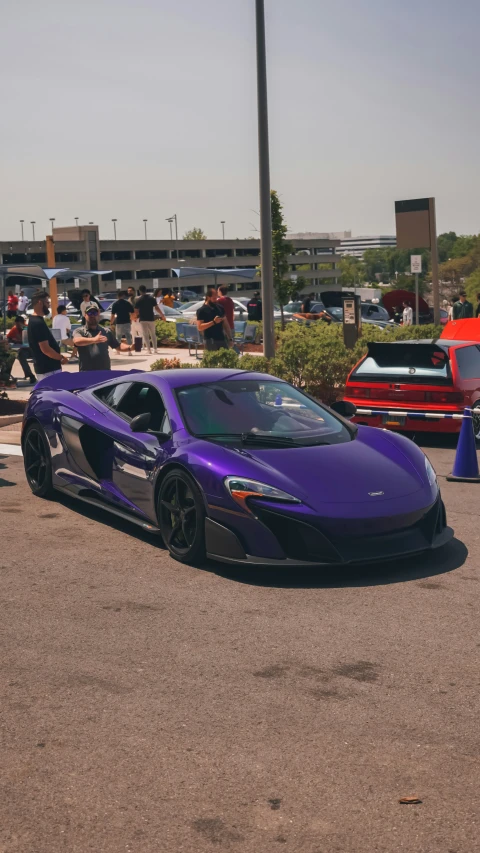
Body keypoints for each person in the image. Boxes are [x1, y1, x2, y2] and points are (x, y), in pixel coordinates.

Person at [73, 304, 133, 370]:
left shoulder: (106, 331)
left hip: (105, 372)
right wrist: (94, 340)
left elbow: (118, 346)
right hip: (86, 372)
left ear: (98, 314)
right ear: (85, 315)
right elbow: (77, 341)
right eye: (90, 313)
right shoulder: (80, 331)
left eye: (95, 313)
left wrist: (130, 348)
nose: (92, 315)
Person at [27, 291, 68, 380]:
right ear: (40, 303)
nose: (49, 305)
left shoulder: (34, 320)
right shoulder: (38, 323)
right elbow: (45, 349)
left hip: (46, 369)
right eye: (47, 302)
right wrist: (60, 358)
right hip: (48, 370)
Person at [196, 286, 232, 351]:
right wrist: (213, 322)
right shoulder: (202, 310)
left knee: (226, 359)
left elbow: (226, 324)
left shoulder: (220, 308)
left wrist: (230, 338)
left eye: (216, 297)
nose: (216, 300)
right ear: (208, 297)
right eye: (214, 298)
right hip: (210, 340)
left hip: (221, 339)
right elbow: (200, 327)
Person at [134, 285, 164, 354]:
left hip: (143, 319)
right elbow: (156, 308)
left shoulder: (139, 300)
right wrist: (162, 315)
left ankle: (148, 350)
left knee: (145, 334)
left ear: (140, 291)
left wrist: (136, 316)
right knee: (153, 334)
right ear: (146, 290)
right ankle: (155, 349)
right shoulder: (151, 298)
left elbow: (136, 310)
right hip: (151, 318)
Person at [6, 316, 36, 383]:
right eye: (16, 324)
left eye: (18, 324)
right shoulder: (14, 329)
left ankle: (30, 375)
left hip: (32, 350)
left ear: (23, 323)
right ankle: (6, 376)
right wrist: (13, 340)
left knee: (21, 354)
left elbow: (32, 340)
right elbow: (8, 338)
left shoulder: (28, 329)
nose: (17, 326)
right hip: (23, 349)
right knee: (16, 355)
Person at [110, 290, 135, 356]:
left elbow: (112, 315)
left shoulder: (115, 304)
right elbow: (132, 312)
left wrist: (111, 322)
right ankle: (129, 351)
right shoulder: (127, 303)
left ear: (118, 296)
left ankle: (118, 350)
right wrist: (132, 319)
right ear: (123, 296)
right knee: (128, 336)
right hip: (127, 321)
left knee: (118, 337)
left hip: (119, 322)